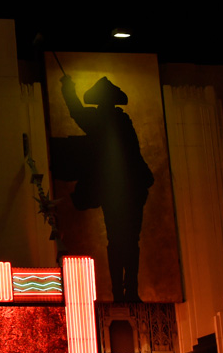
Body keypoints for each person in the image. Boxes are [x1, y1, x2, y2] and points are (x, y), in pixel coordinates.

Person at [55, 74, 154, 302]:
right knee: (128, 240)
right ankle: (126, 290)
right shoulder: (121, 120)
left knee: (119, 240)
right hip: (131, 188)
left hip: (120, 190)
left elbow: (76, 112)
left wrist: (68, 89)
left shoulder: (103, 120)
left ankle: (123, 291)